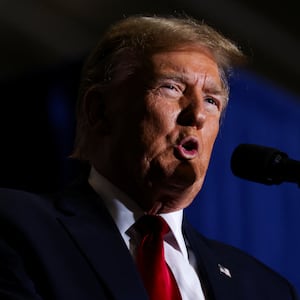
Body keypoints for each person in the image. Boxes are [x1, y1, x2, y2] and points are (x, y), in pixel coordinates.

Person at [0, 14, 298, 300]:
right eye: (171, 87)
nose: (196, 115)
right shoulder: (19, 227)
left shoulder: (265, 289)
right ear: (99, 111)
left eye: (211, 100)